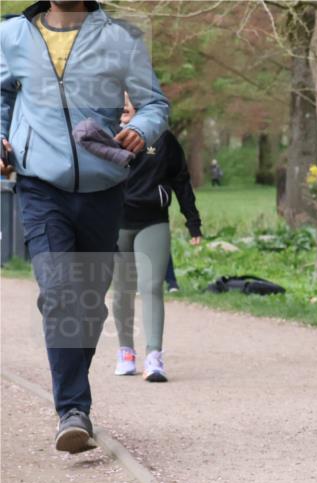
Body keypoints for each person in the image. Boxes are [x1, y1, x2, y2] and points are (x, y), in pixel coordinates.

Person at [0, 0, 169, 452]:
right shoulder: (12, 35)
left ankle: (74, 399)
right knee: (59, 291)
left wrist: (143, 129)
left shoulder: (120, 39)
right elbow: (2, 95)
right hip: (39, 184)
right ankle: (73, 410)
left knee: (90, 304)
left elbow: (154, 103)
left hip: (102, 186)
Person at [112, 93, 201, 382]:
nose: (125, 108)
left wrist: (193, 222)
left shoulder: (163, 140)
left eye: (130, 104)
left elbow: (181, 181)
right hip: (116, 223)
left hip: (153, 221)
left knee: (151, 287)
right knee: (123, 290)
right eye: (121, 105)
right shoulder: (104, 135)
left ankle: (154, 356)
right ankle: (126, 351)